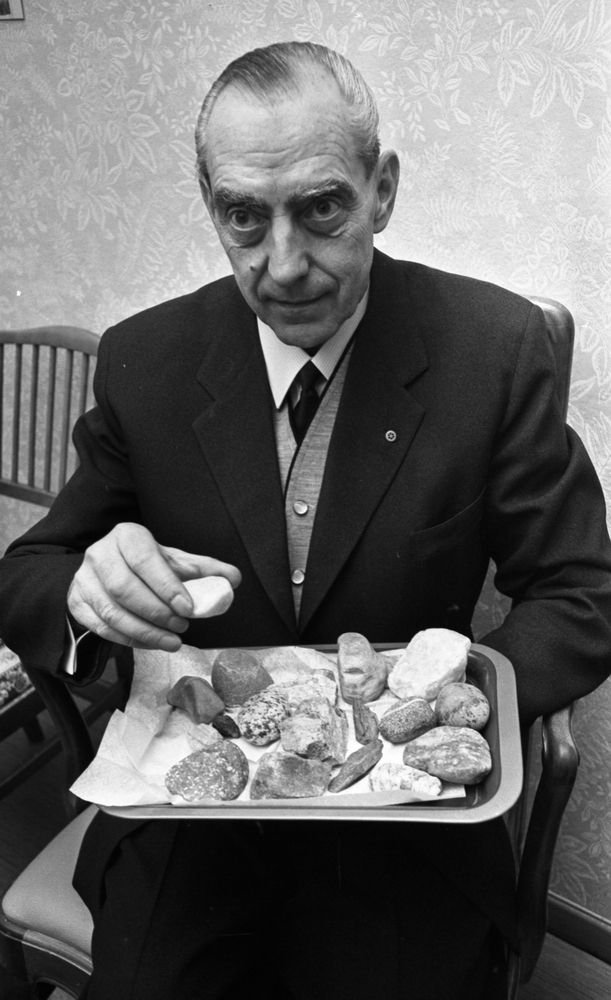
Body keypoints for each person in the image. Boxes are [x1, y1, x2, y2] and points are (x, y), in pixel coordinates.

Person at [1, 40, 611, 1000]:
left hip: (404, 829)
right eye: (244, 216)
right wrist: (87, 593)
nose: (282, 266)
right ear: (212, 207)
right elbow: (31, 567)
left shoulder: (495, 351)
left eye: (321, 207)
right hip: (193, 815)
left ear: (381, 190)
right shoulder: (143, 359)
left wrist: (441, 709)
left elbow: (580, 595)